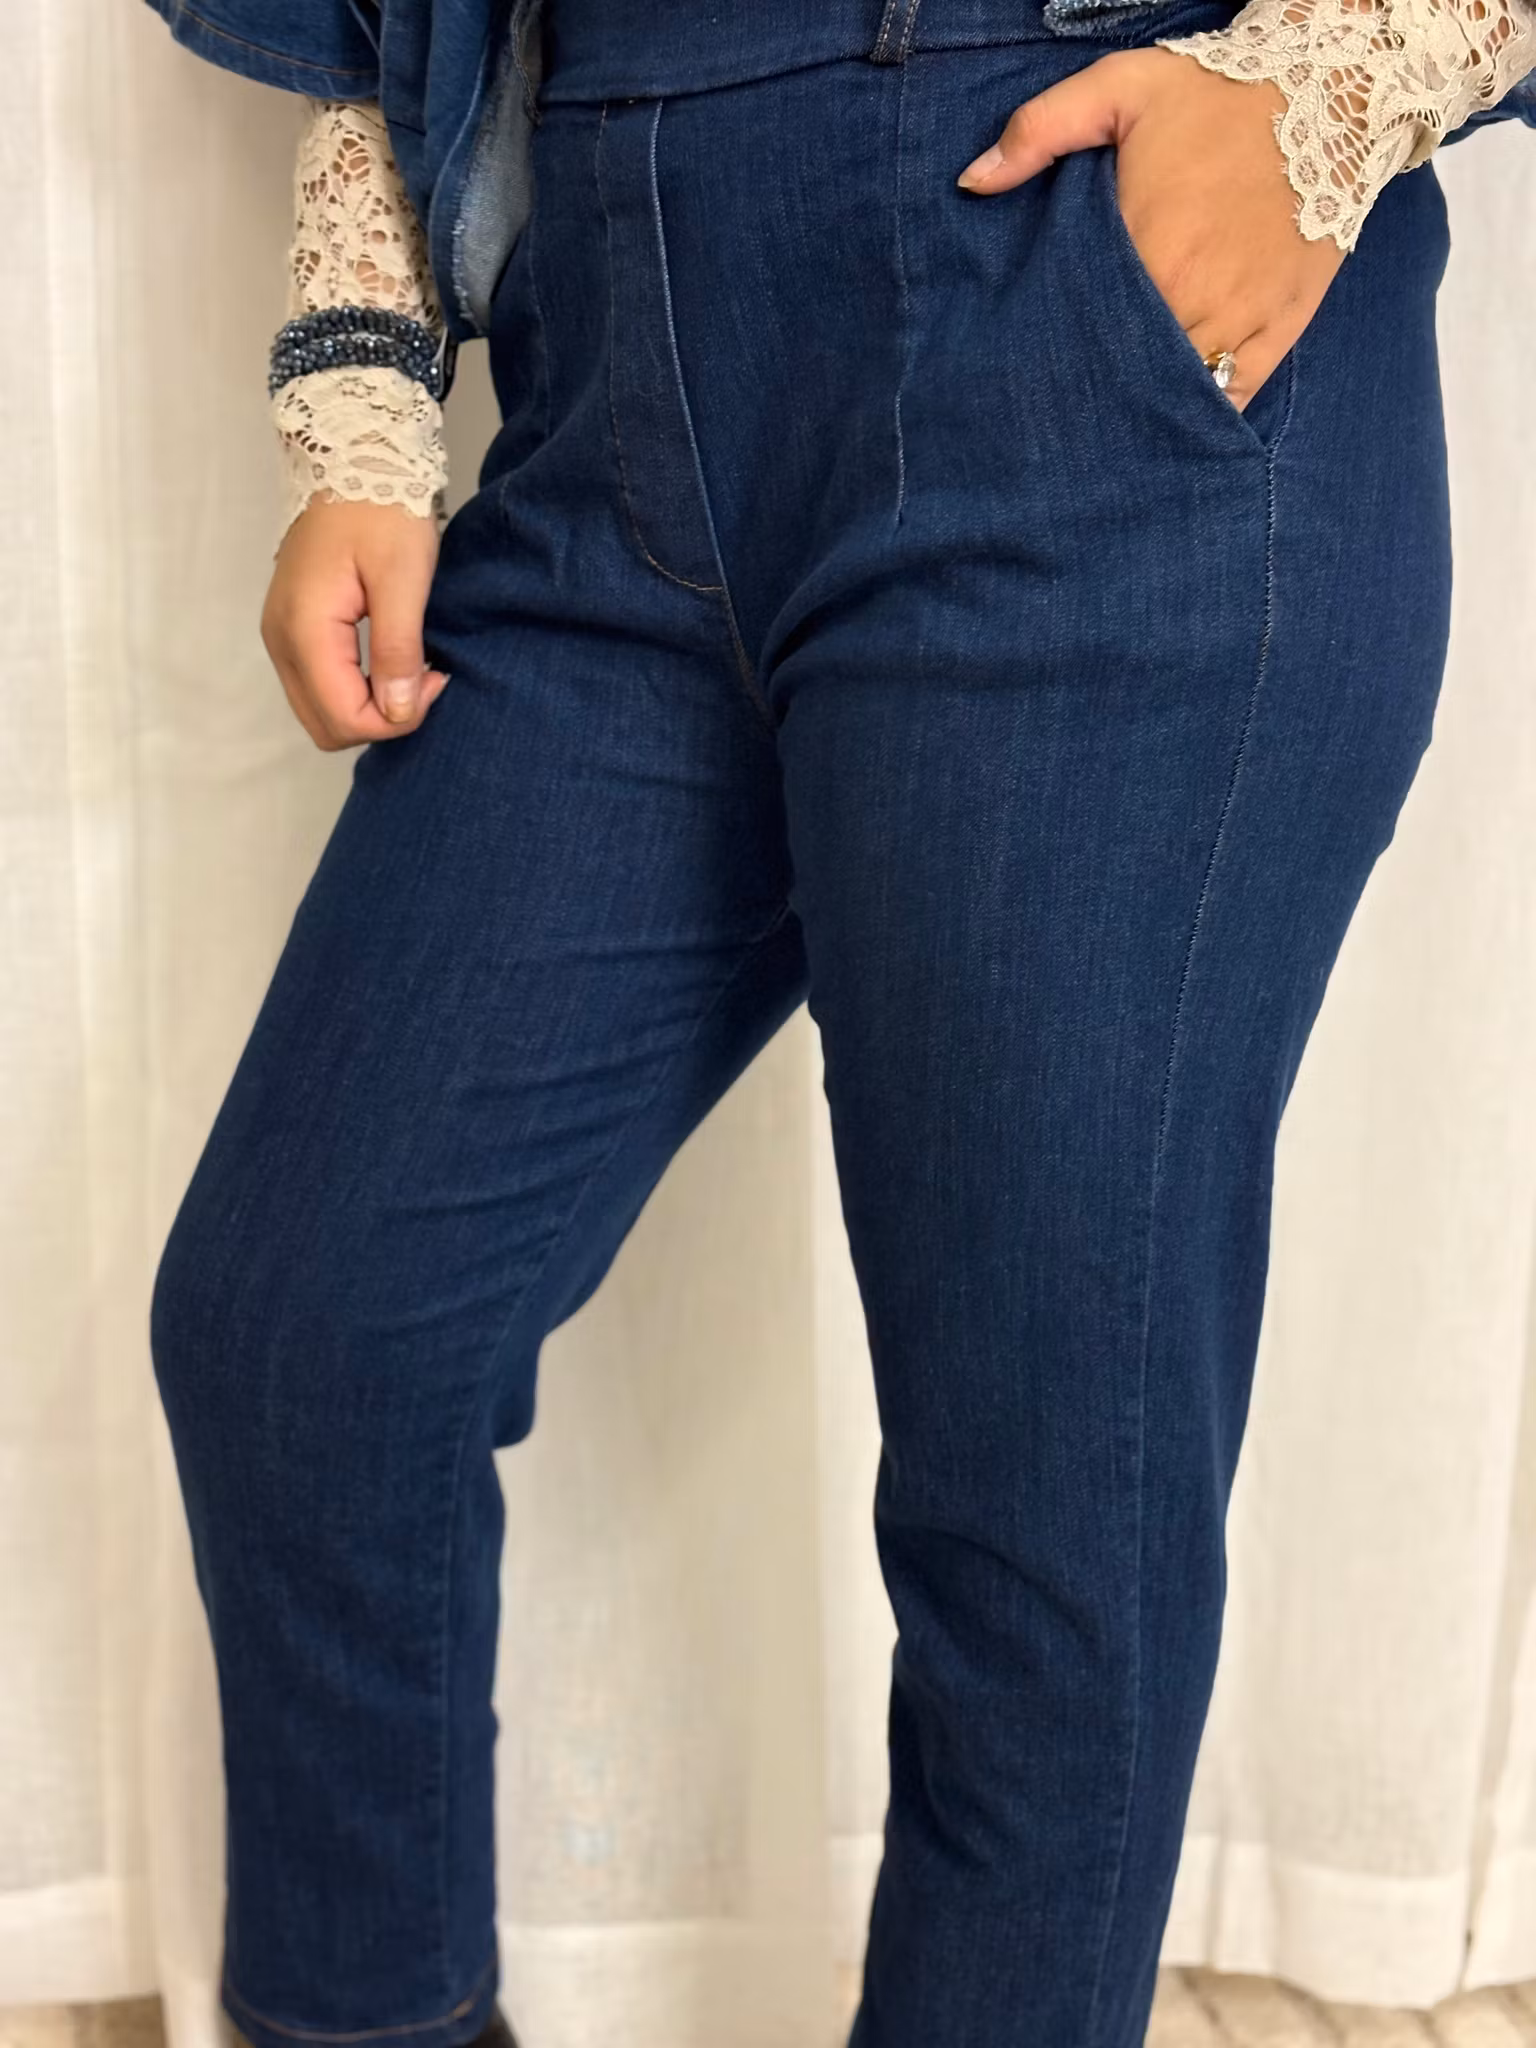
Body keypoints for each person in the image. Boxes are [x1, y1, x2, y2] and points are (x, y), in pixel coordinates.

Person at [141, 0, 1536, 2044]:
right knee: (307, 1335)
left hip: (1080, 310)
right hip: (611, 361)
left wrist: (1321, 93)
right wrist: (359, 401)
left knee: (1033, 1525)